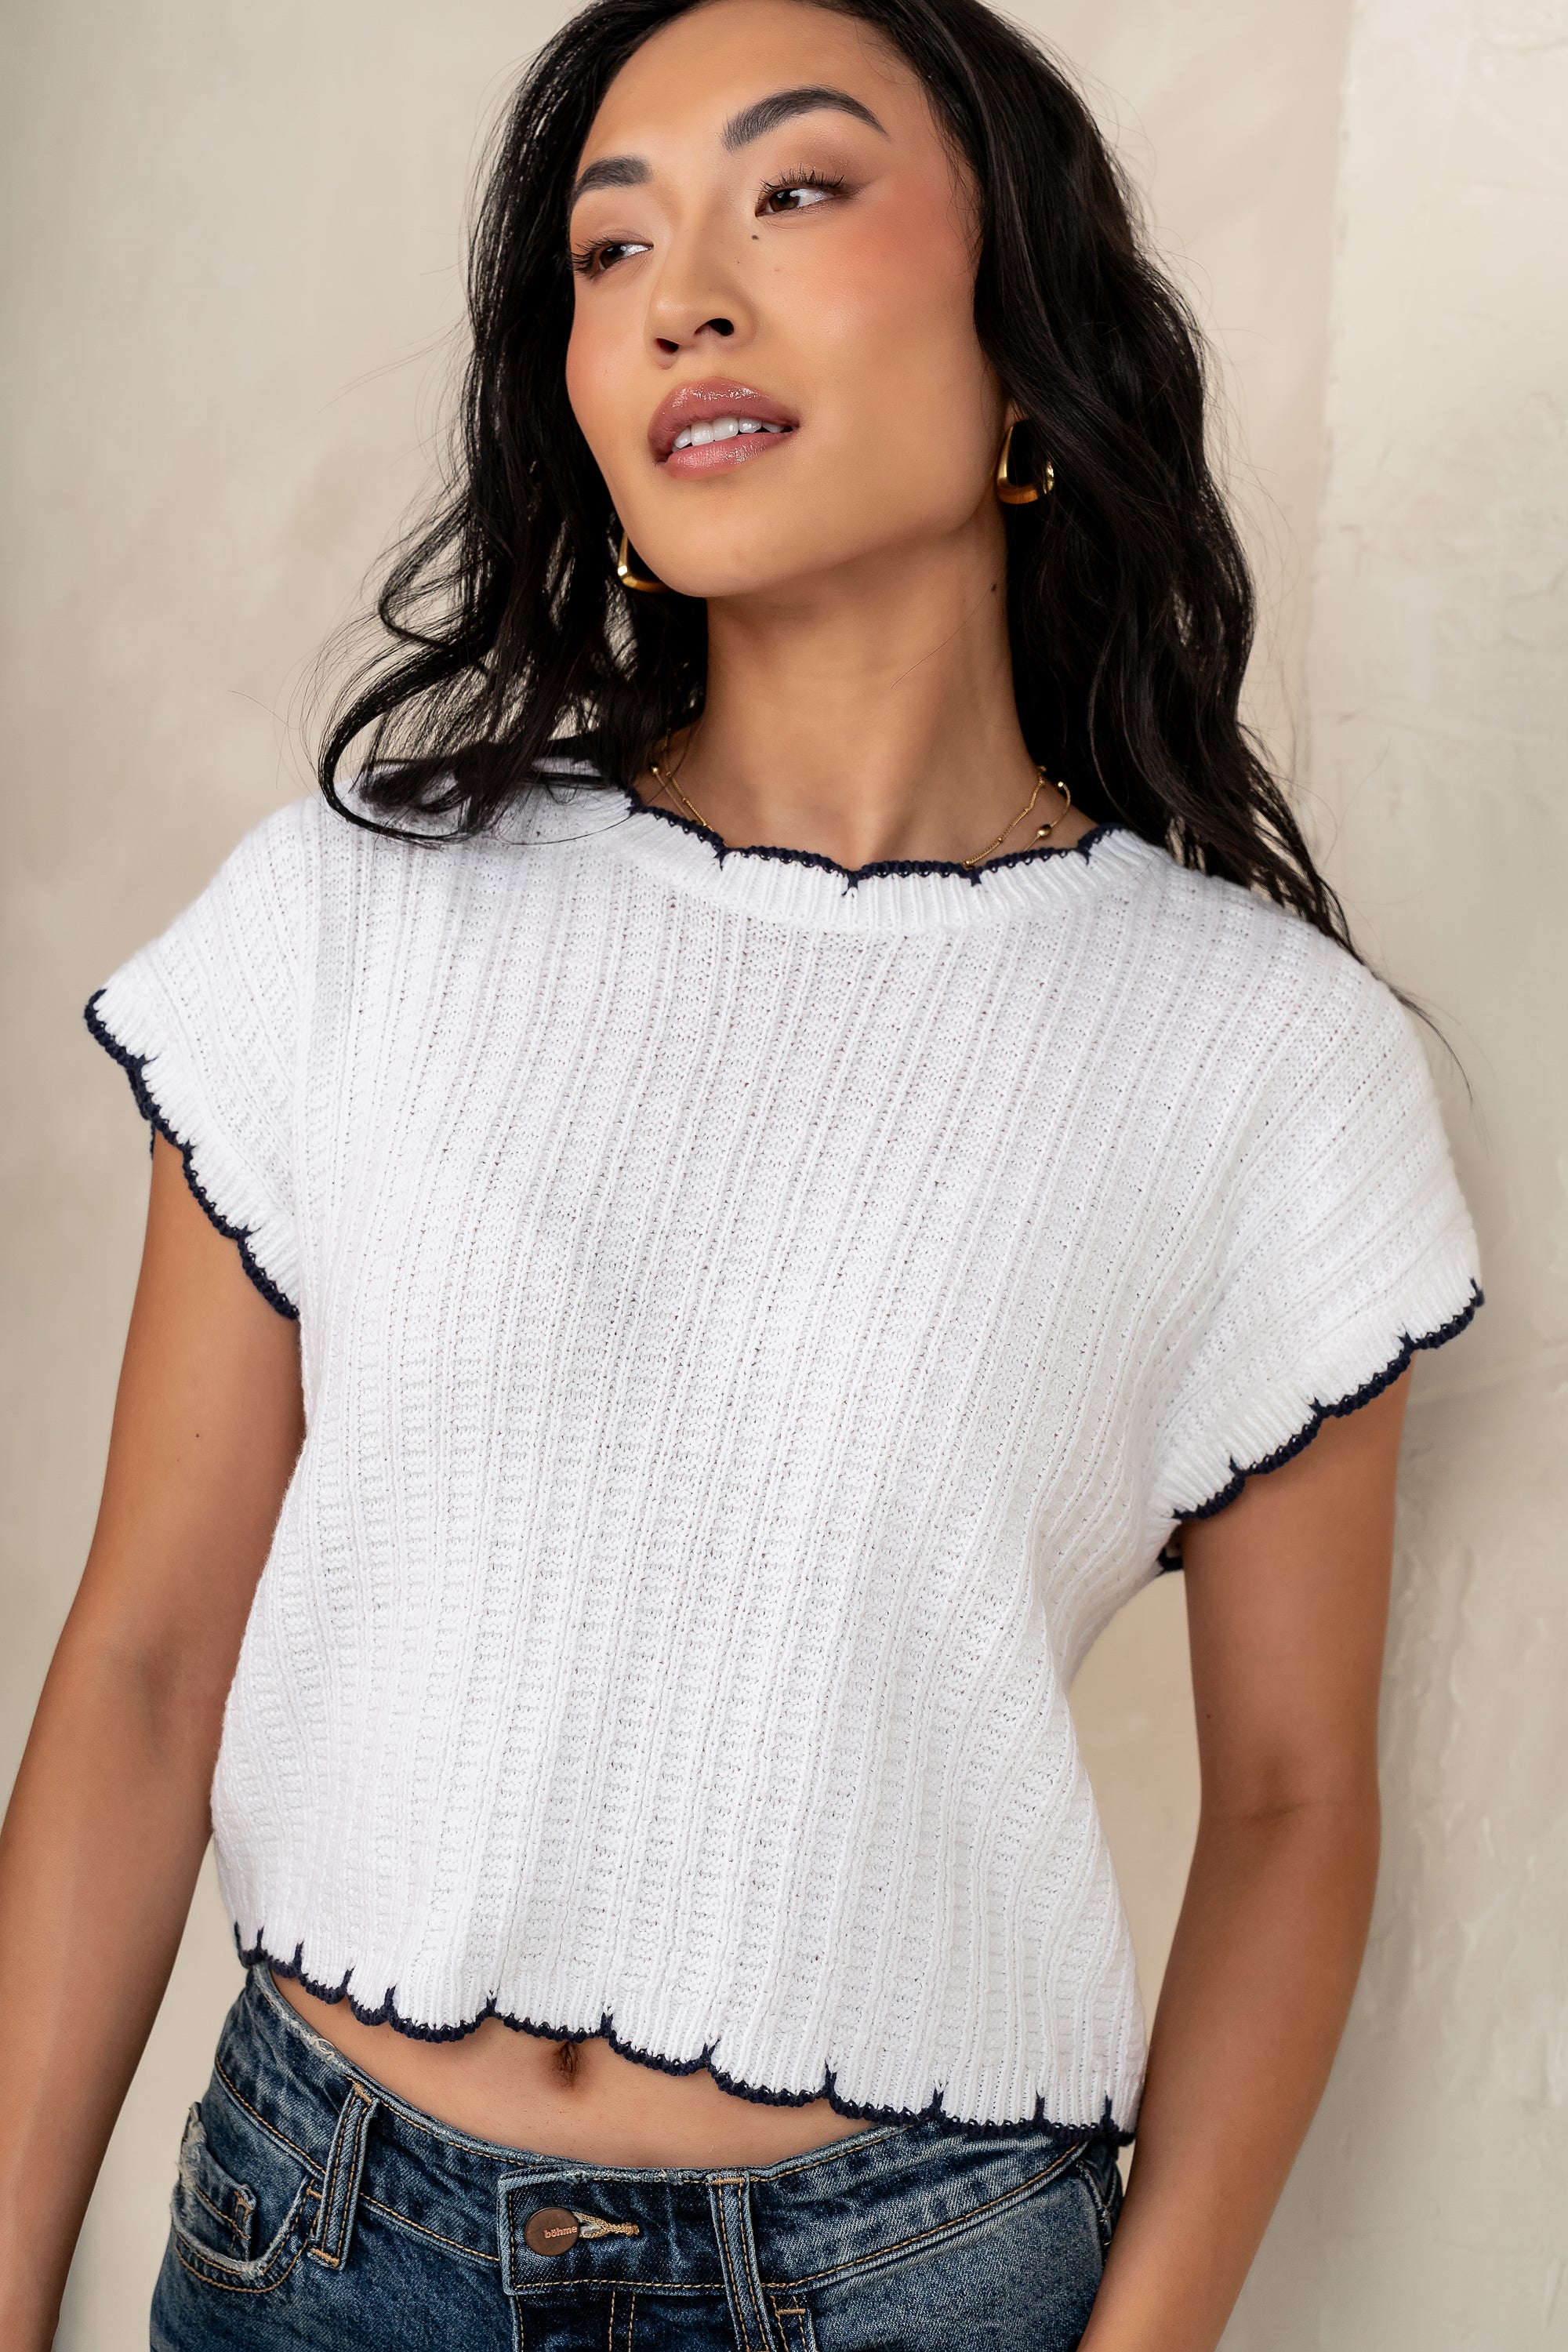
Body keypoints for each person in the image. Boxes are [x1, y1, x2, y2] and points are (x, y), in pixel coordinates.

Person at [0, 0, 1482, 2345]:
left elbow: (1295, 1804)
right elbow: (145, 1666)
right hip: (319, 2244)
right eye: (612, 248)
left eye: (795, 191)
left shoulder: (1259, 1059)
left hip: (911, 2277)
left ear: (1026, 330)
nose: (683, 291)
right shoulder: (358, 916)